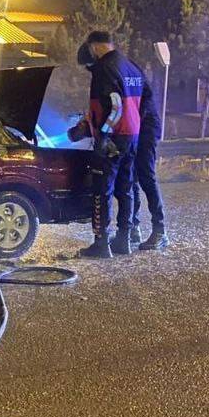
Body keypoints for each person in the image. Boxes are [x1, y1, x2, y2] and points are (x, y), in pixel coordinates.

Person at [68, 31, 146, 259]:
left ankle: (101, 243)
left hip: (113, 138)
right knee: (126, 188)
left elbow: (115, 106)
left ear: (94, 47)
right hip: (132, 135)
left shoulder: (104, 68)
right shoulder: (131, 66)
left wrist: (102, 135)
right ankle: (124, 239)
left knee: (102, 190)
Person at [130, 70, 169, 250]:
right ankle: (133, 227)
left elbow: (140, 110)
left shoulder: (128, 75)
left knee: (146, 178)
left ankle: (160, 231)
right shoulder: (125, 72)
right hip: (135, 130)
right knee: (131, 180)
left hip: (145, 130)